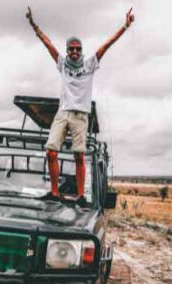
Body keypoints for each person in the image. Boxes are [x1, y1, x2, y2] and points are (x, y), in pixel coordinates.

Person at [26, 7, 135, 202]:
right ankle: (54, 193)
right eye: (71, 49)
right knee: (51, 151)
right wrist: (34, 26)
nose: (75, 51)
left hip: (80, 115)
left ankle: (80, 197)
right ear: (67, 51)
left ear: (81, 51)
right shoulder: (62, 64)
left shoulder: (90, 64)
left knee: (79, 156)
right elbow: (47, 43)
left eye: (78, 48)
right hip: (63, 112)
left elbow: (107, 44)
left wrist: (125, 26)